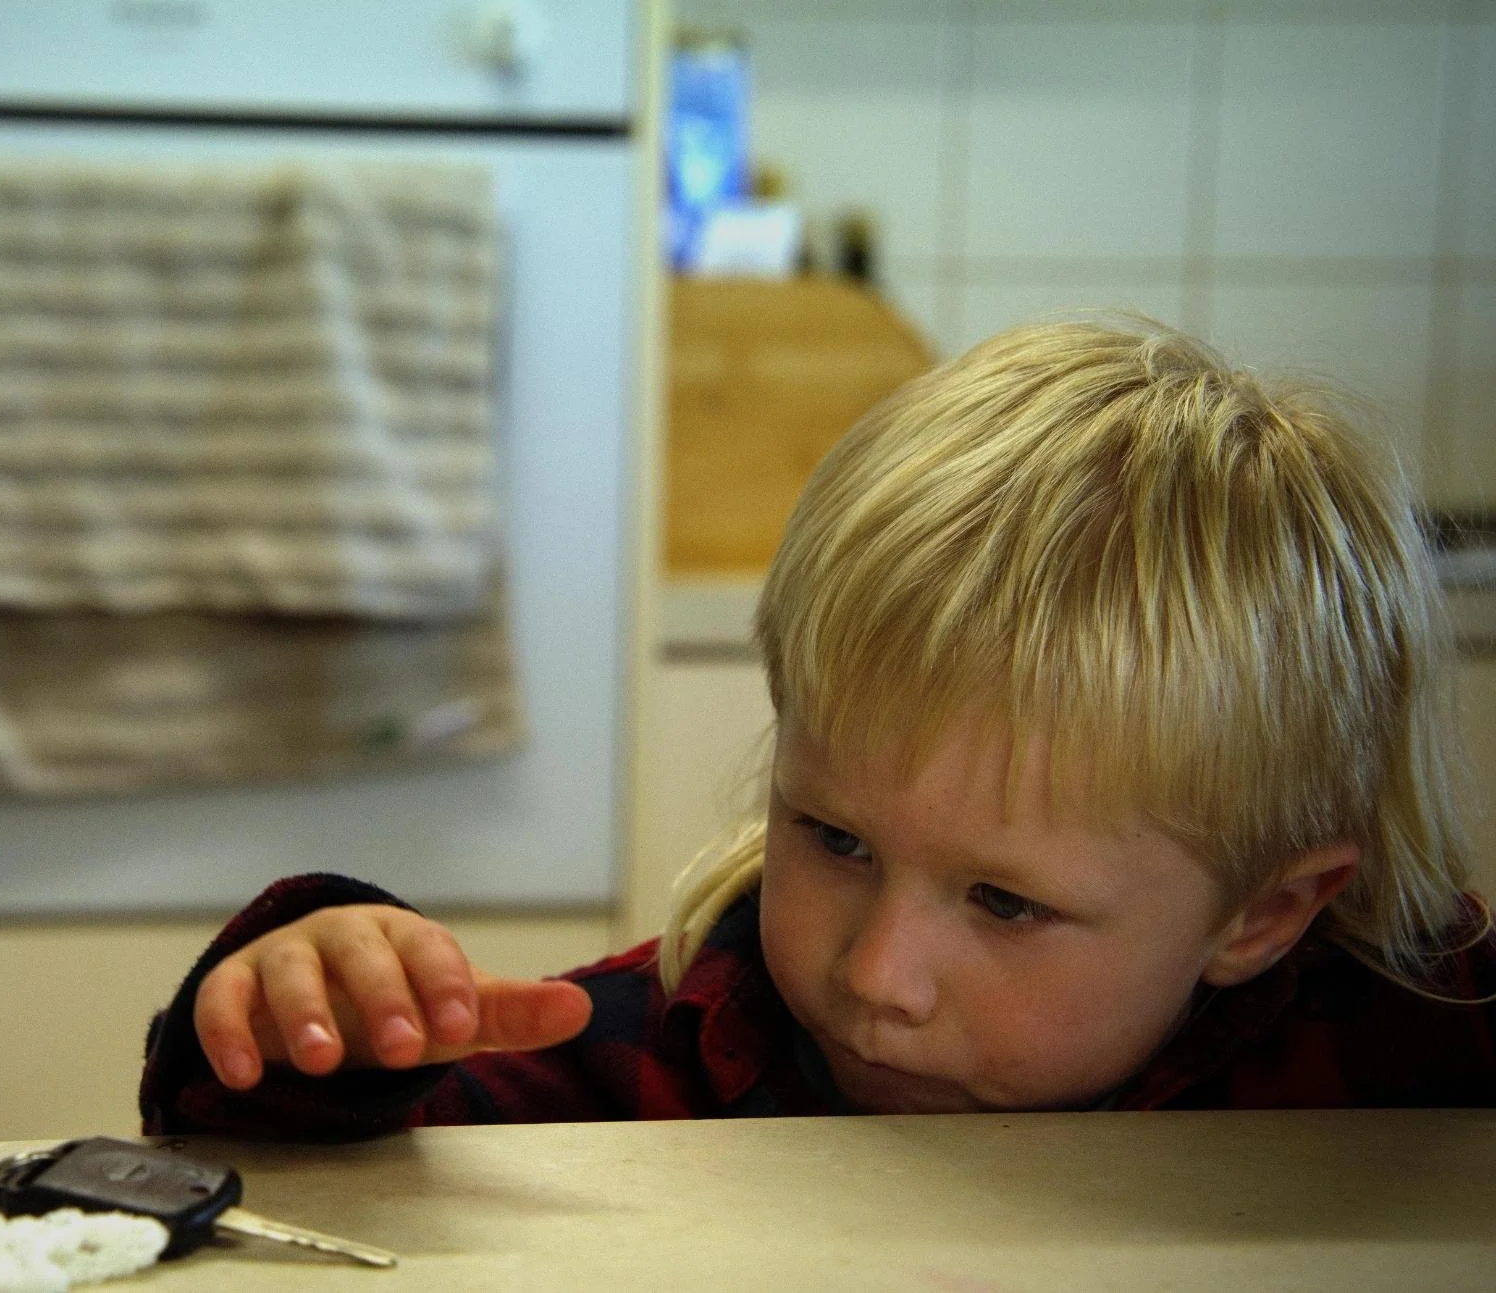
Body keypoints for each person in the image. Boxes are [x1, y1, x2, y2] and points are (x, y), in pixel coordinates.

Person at [139, 318, 1496, 1138]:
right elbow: (327, 1156)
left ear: (1262, 916)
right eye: (834, 836)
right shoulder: (680, 1042)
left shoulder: (1409, 1053)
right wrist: (307, 1024)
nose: (876, 977)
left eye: (1007, 904)